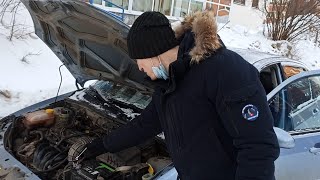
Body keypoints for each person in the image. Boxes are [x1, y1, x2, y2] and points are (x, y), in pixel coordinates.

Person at [84, 11, 280, 180]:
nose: (139, 67)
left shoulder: (226, 71)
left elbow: (258, 147)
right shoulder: (169, 82)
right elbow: (145, 124)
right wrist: (101, 145)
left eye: (139, 59)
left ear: (154, 52)